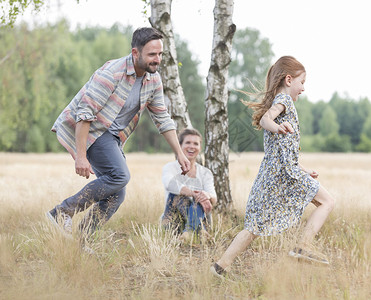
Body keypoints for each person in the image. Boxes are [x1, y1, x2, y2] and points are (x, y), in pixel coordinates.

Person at [46, 27, 190, 238]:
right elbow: (84, 113)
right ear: (135, 53)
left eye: (160, 54)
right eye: (152, 54)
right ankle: (61, 212)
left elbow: (162, 118)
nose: (157, 59)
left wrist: (179, 153)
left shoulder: (153, 80)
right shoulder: (112, 73)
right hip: (93, 131)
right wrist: (81, 155)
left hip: (113, 138)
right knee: (120, 175)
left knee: (116, 194)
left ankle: (80, 242)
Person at [211, 56, 336, 277]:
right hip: (284, 175)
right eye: (302, 82)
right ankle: (303, 246)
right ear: (289, 79)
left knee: (253, 228)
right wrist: (277, 127)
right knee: (327, 201)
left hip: (275, 175)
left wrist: (304, 169)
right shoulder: (284, 101)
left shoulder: (281, 102)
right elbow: (265, 120)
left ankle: (219, 268)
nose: (303, 88)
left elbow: (283, 153)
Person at [161, 128, 217, 241]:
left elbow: (214, 197)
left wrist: (206, 195)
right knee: (176, 195)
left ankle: (188, 232)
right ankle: (199, 230)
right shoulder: (170, 168)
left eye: (195, 144)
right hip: (174, 219)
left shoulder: (205, 172)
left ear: (200, 148)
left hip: (202, 216)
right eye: (187, 143)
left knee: (203, 197)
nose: (192, 146)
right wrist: (194, 194)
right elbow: (170, 185)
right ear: (180, 146)